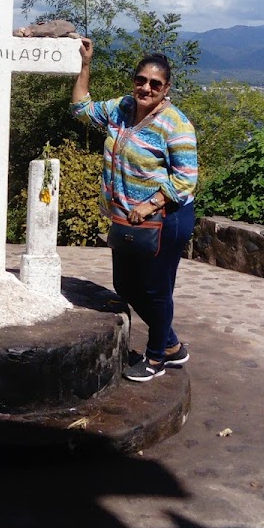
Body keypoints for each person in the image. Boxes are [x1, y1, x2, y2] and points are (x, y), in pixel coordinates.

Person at [70, 39, 198, 381]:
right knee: (125, 284)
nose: (146, 88)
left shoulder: (176, 125)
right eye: (141, 80)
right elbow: (82, 109)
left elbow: (186, 181)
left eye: (155, 83)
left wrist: (151, 204)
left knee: (157, 290)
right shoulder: (122, 109)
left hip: (166, 219)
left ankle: (157, 359)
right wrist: (86, 65)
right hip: (127, 217)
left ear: (166, 88)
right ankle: (171, 344)